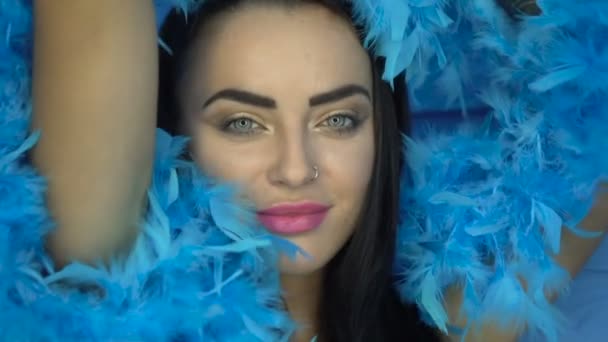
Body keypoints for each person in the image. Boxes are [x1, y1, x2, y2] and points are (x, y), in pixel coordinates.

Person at [12, 0, 605, 341]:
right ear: (170, 132)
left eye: (339, 120)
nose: (297, 169)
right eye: (242, 122)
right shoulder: (105, 285)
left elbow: (592, 102)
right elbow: (91, 20)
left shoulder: (455, 329)